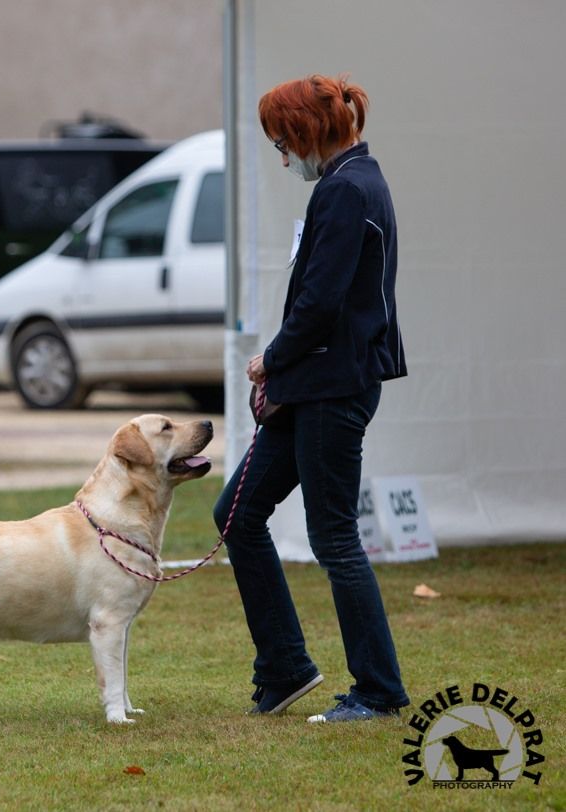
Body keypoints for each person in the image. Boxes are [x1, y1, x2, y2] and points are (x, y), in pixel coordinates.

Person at [214, 75, 410, 722]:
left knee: (334, 539)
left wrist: (269, 359)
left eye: (280, 143)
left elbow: (322, 303)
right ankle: (285, 669)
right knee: (236, 514)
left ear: (303, 132)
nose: (281, 158)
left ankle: (378, 691)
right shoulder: (350, 183)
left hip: (333, 388)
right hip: (316, 388)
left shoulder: (348, 189)